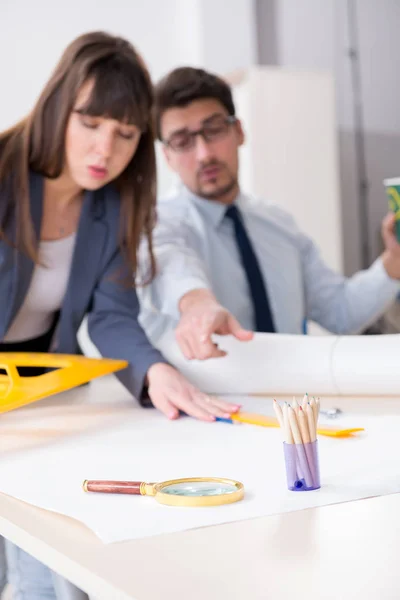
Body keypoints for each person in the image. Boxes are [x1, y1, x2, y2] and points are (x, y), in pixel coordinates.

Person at [0, 37, 239, 600]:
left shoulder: (114, 203)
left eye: (126, 134)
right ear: (59, 105)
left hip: (41, 381)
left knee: (52, 550)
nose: (104, 149)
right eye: (90, 123)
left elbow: (112, 315)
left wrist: (155, 372)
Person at [138, 66, 400, 359]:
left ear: (238, 131)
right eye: (182, 142)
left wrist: (394, 261)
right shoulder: (158, 225)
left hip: (295, 398)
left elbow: (341, 313)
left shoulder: (279, 224)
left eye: (213, 130)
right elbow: (173, 265)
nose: (204, 154)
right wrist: (197, 303)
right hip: (210, 400)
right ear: (167, 156)